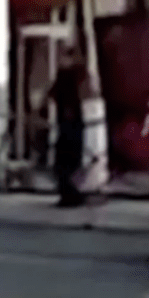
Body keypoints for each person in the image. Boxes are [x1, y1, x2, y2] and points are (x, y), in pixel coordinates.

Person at [46, 46, 88, 208]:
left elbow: (54, 94)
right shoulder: (73, 76)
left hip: (66, 125)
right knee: (70, 161)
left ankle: (68, 194)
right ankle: (71, 194)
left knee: (65, 161)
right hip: (71, 125)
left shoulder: (66, 75)